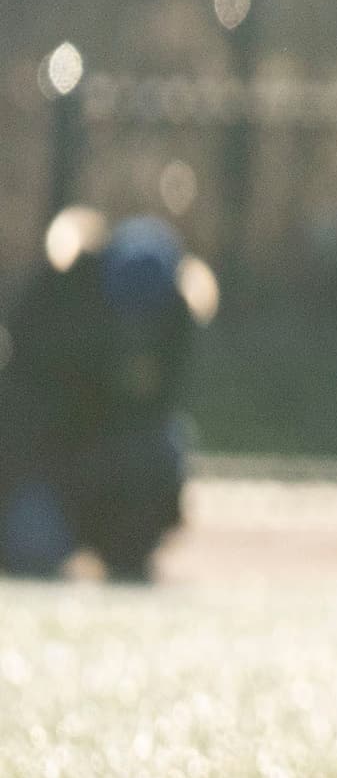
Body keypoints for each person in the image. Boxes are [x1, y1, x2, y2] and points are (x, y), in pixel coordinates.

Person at [0, 211, 215, 583]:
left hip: (106, 468)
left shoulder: (170, 331)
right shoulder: (56, 314)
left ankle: (123, 543)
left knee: (159, 454)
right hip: (42, 465)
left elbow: (153, 421)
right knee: (33, 544)